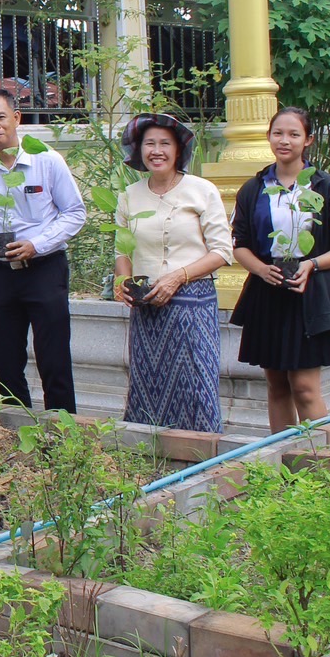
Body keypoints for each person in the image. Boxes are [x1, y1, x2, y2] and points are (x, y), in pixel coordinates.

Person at [231, 107, 330, 433]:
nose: (284, 141)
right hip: (267, 292)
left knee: (304, 387)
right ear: (269, 137)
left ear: (308, 140)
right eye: (278, 133)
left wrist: (311, 264)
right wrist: (260, 269)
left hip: (311, 293)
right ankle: (286, 467)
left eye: (293, 134)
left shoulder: (326, 188)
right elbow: (239, 243)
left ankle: (328, 467)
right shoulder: (254, 188)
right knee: (277, 386)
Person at [0, 87, 86, 412]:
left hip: (45, 269)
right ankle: (18, 434)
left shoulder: (46, 160)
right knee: (6, 361)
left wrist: (37, 244)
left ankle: (63, 438)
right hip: (3, 275)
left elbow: (75, 213)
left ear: (16, 118)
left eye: (1, 117)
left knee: (54, 358)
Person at [112, 113, 234, 432]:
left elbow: (222, 251)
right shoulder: (129, 196)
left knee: (195, 382)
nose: (157, 150)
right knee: (148, 382)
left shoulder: (201, 191)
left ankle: (202, 454)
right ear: (139, 151)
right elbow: (122, 250)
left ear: (178, 150)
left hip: (192, 303)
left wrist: (179, 276)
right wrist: (123, 281)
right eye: (149, 143)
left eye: (165, 143)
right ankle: (148, 454)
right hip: (147, 305)